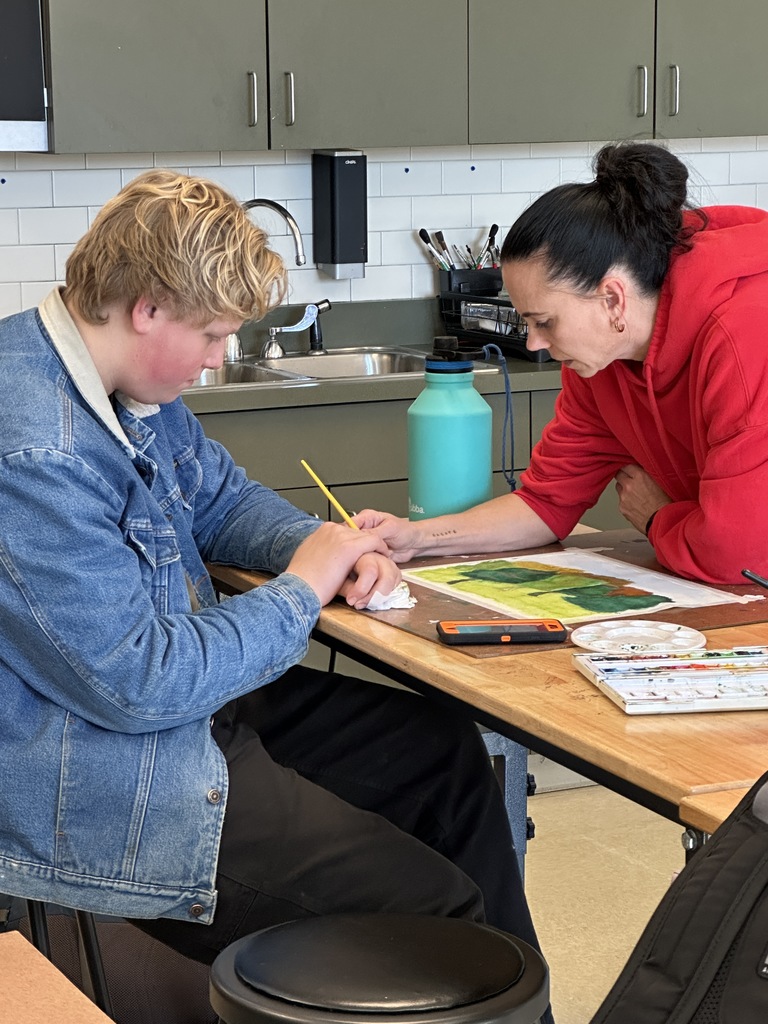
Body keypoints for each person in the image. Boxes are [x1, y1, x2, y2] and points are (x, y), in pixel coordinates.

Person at [0, 170, 548, 984]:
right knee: (438, 911)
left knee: (445, 758)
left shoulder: (116, 379)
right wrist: (302, 588)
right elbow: (140, 682)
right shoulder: (36, 448)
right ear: (147, 305)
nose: (219, 359)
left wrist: (325, 543)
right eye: (214, 336)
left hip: (188, 715)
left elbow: (218, 498)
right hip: (109, 770)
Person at [356, 142, 768, 585]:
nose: (535, 343)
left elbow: (738, 555)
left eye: (546, 322)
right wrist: (418, 538)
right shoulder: (598, 362)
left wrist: (658, 519)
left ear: (613, 299)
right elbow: (545, 504)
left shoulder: (746, 334)